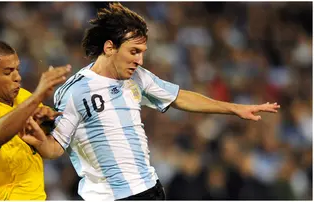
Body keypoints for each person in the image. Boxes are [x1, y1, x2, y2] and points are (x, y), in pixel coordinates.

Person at [21, 3, 280, 201]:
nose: (140, 61)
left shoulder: (138, 77)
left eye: (142, 53)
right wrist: (36, 139)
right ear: (110, 47)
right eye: (134, 52)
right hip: (109, 196)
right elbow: (55, 148)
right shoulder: (74, 91)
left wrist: (234, 108)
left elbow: (179, 97)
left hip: (150, 189)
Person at [0, 40, 71, 200]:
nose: (18, 77)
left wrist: (45, 121)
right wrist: (35, 99)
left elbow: (45, 144)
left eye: (17, 70)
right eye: (8, 72)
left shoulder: (24, 97)